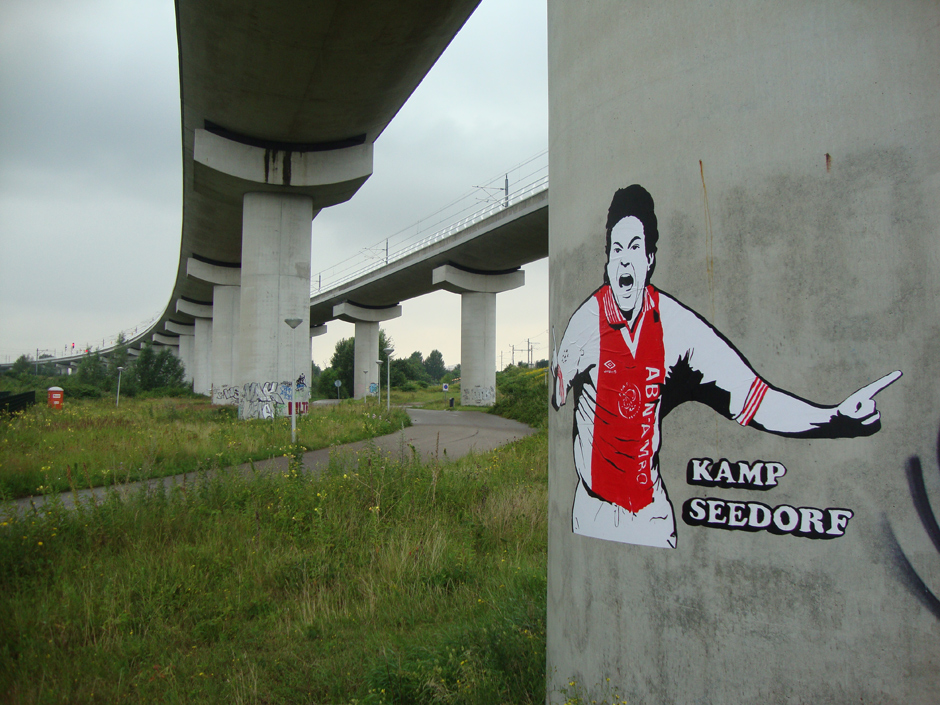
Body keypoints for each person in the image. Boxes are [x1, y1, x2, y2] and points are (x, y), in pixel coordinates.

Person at [550, 184, 901, 548]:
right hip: (593, 511)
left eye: (635, 247)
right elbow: (559, 393)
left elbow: (756, 398)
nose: (624, 260)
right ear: (607, 261)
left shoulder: (676, 326)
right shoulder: (585, 324)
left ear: (650, 259)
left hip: (651, 515)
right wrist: (559, 378)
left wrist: (834, 418)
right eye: (617, 249)